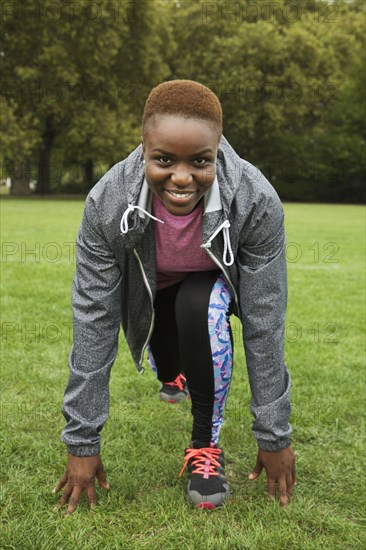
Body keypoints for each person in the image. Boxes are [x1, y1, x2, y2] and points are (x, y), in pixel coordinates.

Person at [53, 80, 295, 512]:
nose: (182, 178)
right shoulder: (106, 203)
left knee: (196, 304)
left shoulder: (256, 200)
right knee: (166, 354)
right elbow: (94, 321)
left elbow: (264, 321)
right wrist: (82, 441)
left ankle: (205, 446)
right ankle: (172, 373)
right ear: (143, 148)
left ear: (217, 151)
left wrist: (274, 434)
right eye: (164, 160)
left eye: (200, 161)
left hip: (207, 290)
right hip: (147, 294)